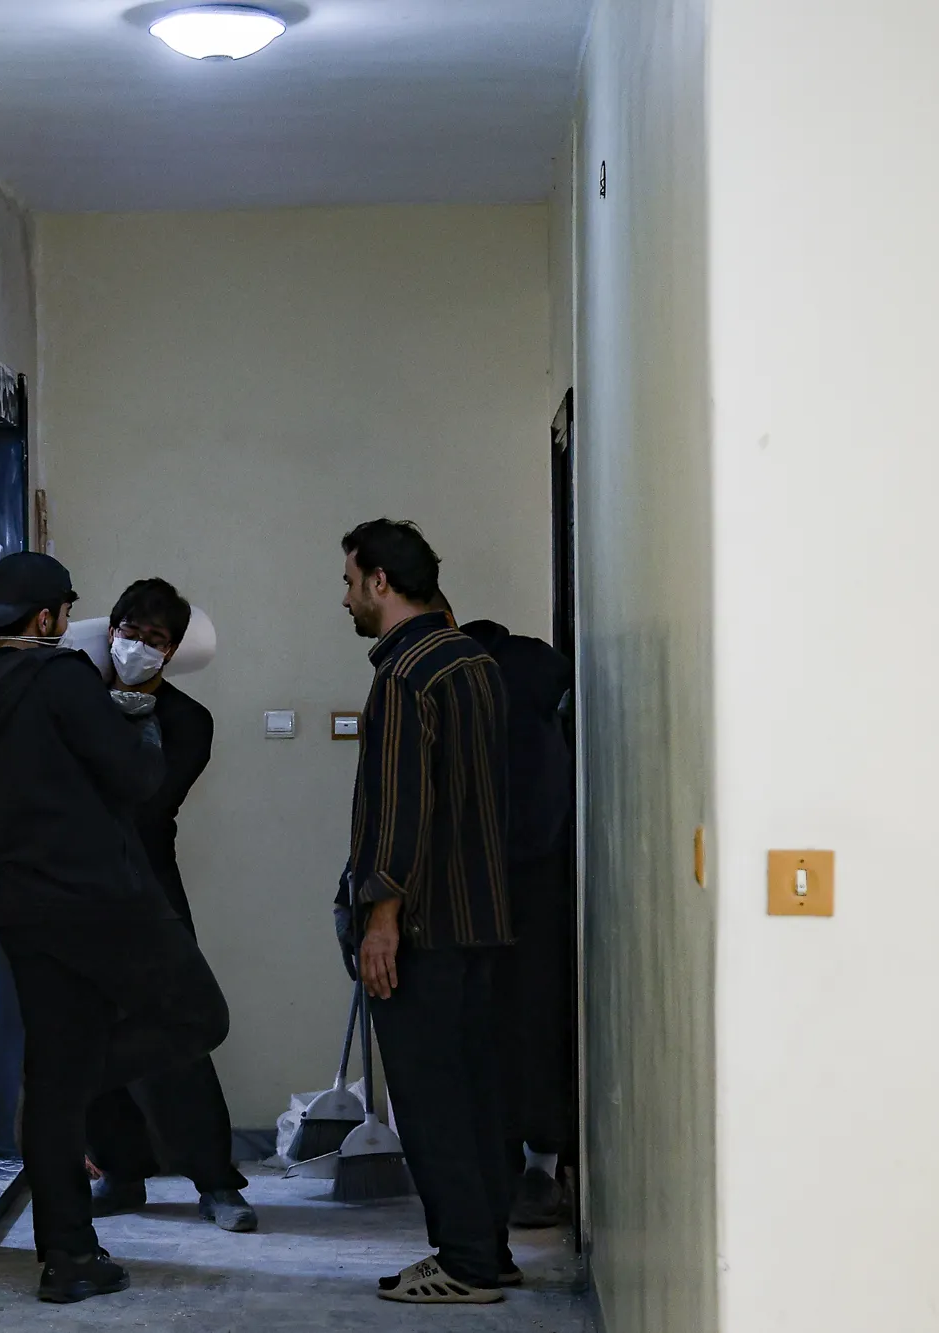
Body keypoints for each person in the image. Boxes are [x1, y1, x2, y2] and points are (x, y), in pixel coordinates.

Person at [0, 552, 231, 1305]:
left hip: (21, 905)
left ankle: (68, 1258)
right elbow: (136, 779)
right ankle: (70, 1093)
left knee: (54, 1073)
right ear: (48, 618)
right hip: (106, 897)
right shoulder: (63, 678)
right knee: (199, 1016)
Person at [337, 520, 516, 1305]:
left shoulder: (405, 675)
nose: (346, 597)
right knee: (476, 1089)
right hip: (482, 914)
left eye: (350, 581)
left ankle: (466, 1263)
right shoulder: (474, 662)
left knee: (430, 1095)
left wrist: (382, 920)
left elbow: (400, 808)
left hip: (422, 926)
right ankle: (488, 1248)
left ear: (381, 581)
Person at [82, 578, 257, 1234]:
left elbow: (148, 797)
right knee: (91, 1029)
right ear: (111, 630)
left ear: (172, 650)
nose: (137, 646)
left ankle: (216, 1180)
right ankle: (120, 1170)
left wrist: (126, 724)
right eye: (129, 631)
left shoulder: (188, 721)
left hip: (150, 890)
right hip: (79, 890)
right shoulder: (77, 698)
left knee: (178, 1029)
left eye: (153, 639)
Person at [456, 615, 576, 1230]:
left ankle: (506, 1168)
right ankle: (542, 1165)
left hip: (479, 886)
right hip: (545, 882)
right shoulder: (544, 691)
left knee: (487, 1025)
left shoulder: (466, 692)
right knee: (538, 1020)